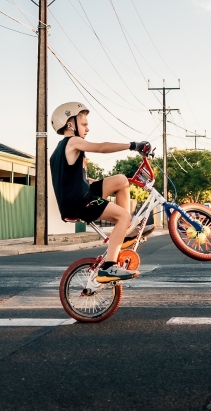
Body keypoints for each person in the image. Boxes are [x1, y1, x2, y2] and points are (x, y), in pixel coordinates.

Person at [50, 102, 152, 282]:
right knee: (122, 216)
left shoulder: (58, 151)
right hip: (81, 201)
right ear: (70, 124)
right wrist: (133, 145)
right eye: (84, 124)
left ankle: (125, 232)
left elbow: (76, 181)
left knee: (121, 180)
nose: (87, 128)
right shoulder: (73, 141)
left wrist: (101, 184)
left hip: (80, 195)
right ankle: (109, 267)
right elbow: (101, 147)